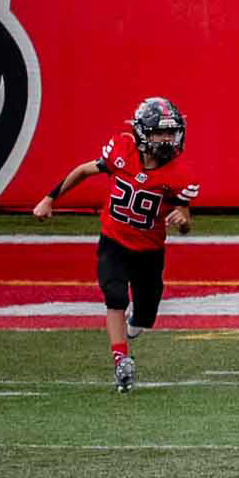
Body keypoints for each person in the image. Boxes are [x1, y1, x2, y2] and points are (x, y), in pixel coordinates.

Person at [32, 97, 198, 393]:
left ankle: (135, 323)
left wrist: (182, 221)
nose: (167, 139)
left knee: (146, 315)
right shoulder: (122, 149)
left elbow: (185, 219)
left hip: (149, 250)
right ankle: (121, 359)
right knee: (115, 295)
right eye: (160, 132)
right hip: (114, 240)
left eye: (171, 132)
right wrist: (49, 198)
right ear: (142, 133)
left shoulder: (180, 174)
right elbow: (84, 171)